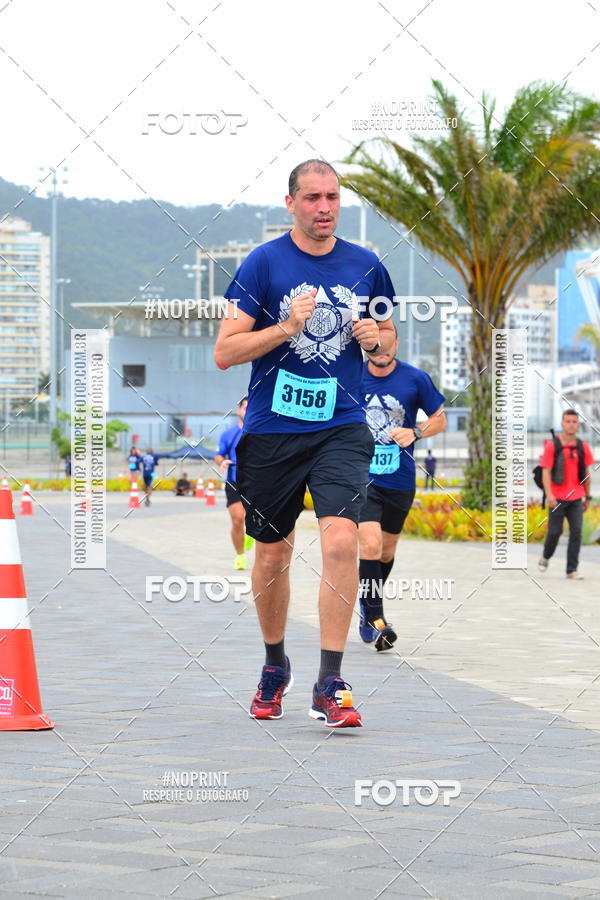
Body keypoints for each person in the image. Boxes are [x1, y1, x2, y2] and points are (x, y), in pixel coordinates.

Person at [214, 159, 396, 728]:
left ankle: (330, 680)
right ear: (290, 202)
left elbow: (388, 339)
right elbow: (225, 351)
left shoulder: (367, 267)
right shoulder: (263, 264)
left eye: (333, 197)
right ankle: (275, 666)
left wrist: (375, 338)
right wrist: (286, 329)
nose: (325, 207)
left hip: (342, 426)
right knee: (272, 552)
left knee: (342, 541)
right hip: (273, 431)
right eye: (313, 197)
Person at [358, 329, 446, 650]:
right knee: (369, 544)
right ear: (365, 345)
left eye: (387, 342)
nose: (381, 349)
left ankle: (368, 603)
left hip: (399, 478)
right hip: (361, 477)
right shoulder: (351, 377)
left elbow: (440, 419)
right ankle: (377, 619)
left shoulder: (415, 379)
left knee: (385, 552)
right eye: (375, 344)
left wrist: (415, 431)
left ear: (398, 342)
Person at [538, 409, 594, 579]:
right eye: (568, 421)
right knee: (554, 532)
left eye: (574, 421)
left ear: (578, 425)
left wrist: (587, 496)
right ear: (562, 424)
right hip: (557, 498)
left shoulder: (582, 447)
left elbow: (586, 473)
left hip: (576, 497)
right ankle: (546, 556)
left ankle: (571, 570)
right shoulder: (552, 446)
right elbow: (545, 472)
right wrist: (549, 495)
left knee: (576, 532)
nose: (571, 424)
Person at [214, 397, 255, 570]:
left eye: (251, 407)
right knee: (238, 520)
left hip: (256, 481)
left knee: (255, 518)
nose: (247, 411)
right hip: (233, 481)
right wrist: (222, 461)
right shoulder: (228, 434)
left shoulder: (261, 432)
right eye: (244, 407)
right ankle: (240, 556)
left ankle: (252, 531)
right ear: (239, 411)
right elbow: (218, 455)